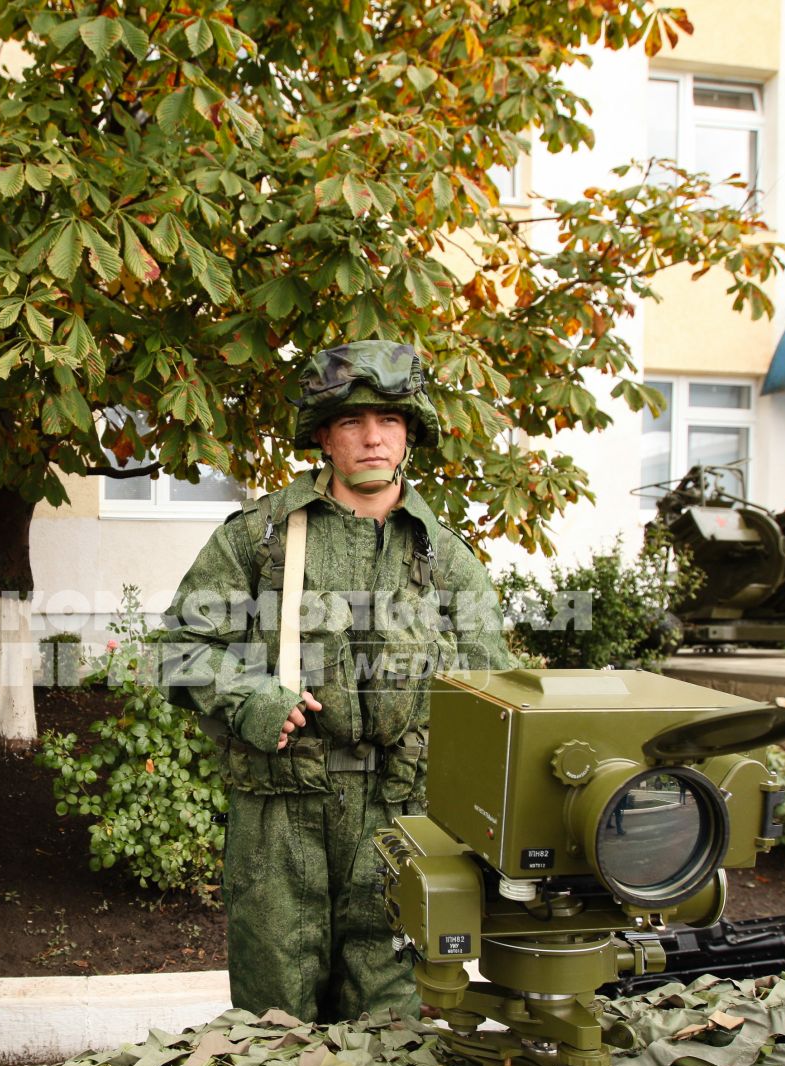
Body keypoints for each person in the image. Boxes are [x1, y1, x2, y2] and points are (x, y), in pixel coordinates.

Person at [161, 340, 518, 1023]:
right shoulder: (260, 537)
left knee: (395, 1031)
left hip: (401, 819)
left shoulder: (443, 556)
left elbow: (489, 689)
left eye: (389, 420)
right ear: (324, 436)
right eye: (353, 421)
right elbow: (183, 645)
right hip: (281, 815)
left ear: (410, 433)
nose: (374, 437)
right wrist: (252, 699)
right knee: (276, 1023)